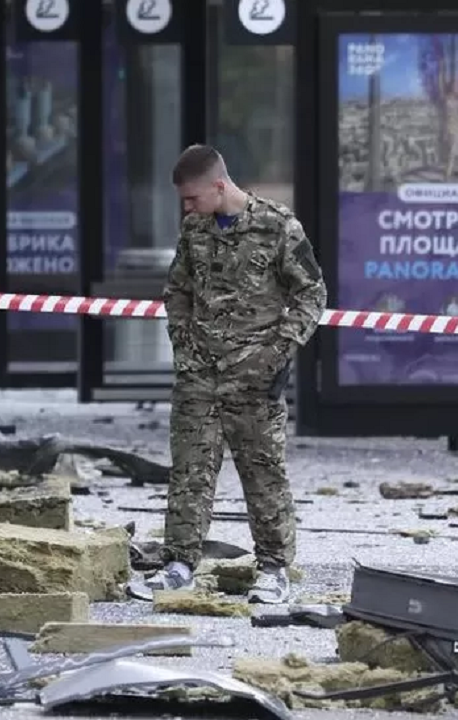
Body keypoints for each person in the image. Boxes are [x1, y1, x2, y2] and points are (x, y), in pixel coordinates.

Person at [128, 144, 327, 605]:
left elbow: (311, 295)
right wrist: (183, 343)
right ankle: (178, 565)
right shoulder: (195, 229)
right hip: (199, 376)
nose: (187, 207)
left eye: (193, 197)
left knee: (263, 474)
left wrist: (278, 352)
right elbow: (177, 290)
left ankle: (274, 569)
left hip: (255, 379)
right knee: (189, 473)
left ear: (220, 186)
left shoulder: (277, 226)